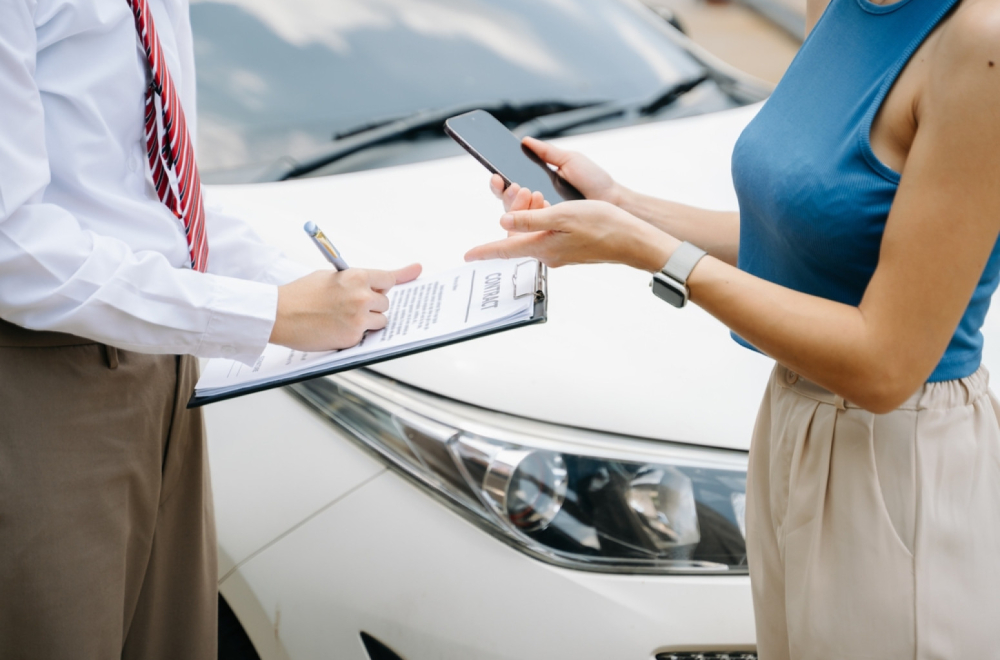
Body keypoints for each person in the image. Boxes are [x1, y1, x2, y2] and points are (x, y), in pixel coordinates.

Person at [466, 0, 1000, 656]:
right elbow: (810, 241)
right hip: (791, 420)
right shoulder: (834, 5)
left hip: (900, 454)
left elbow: (886, 366)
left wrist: (652, 252)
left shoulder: (981, 40)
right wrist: (621, 206)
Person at [0, 0, 418, 658]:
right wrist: (269, 314)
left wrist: (300, 287)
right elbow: (11, 246)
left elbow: (152, 195)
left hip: (164, 369)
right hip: (44, 380)